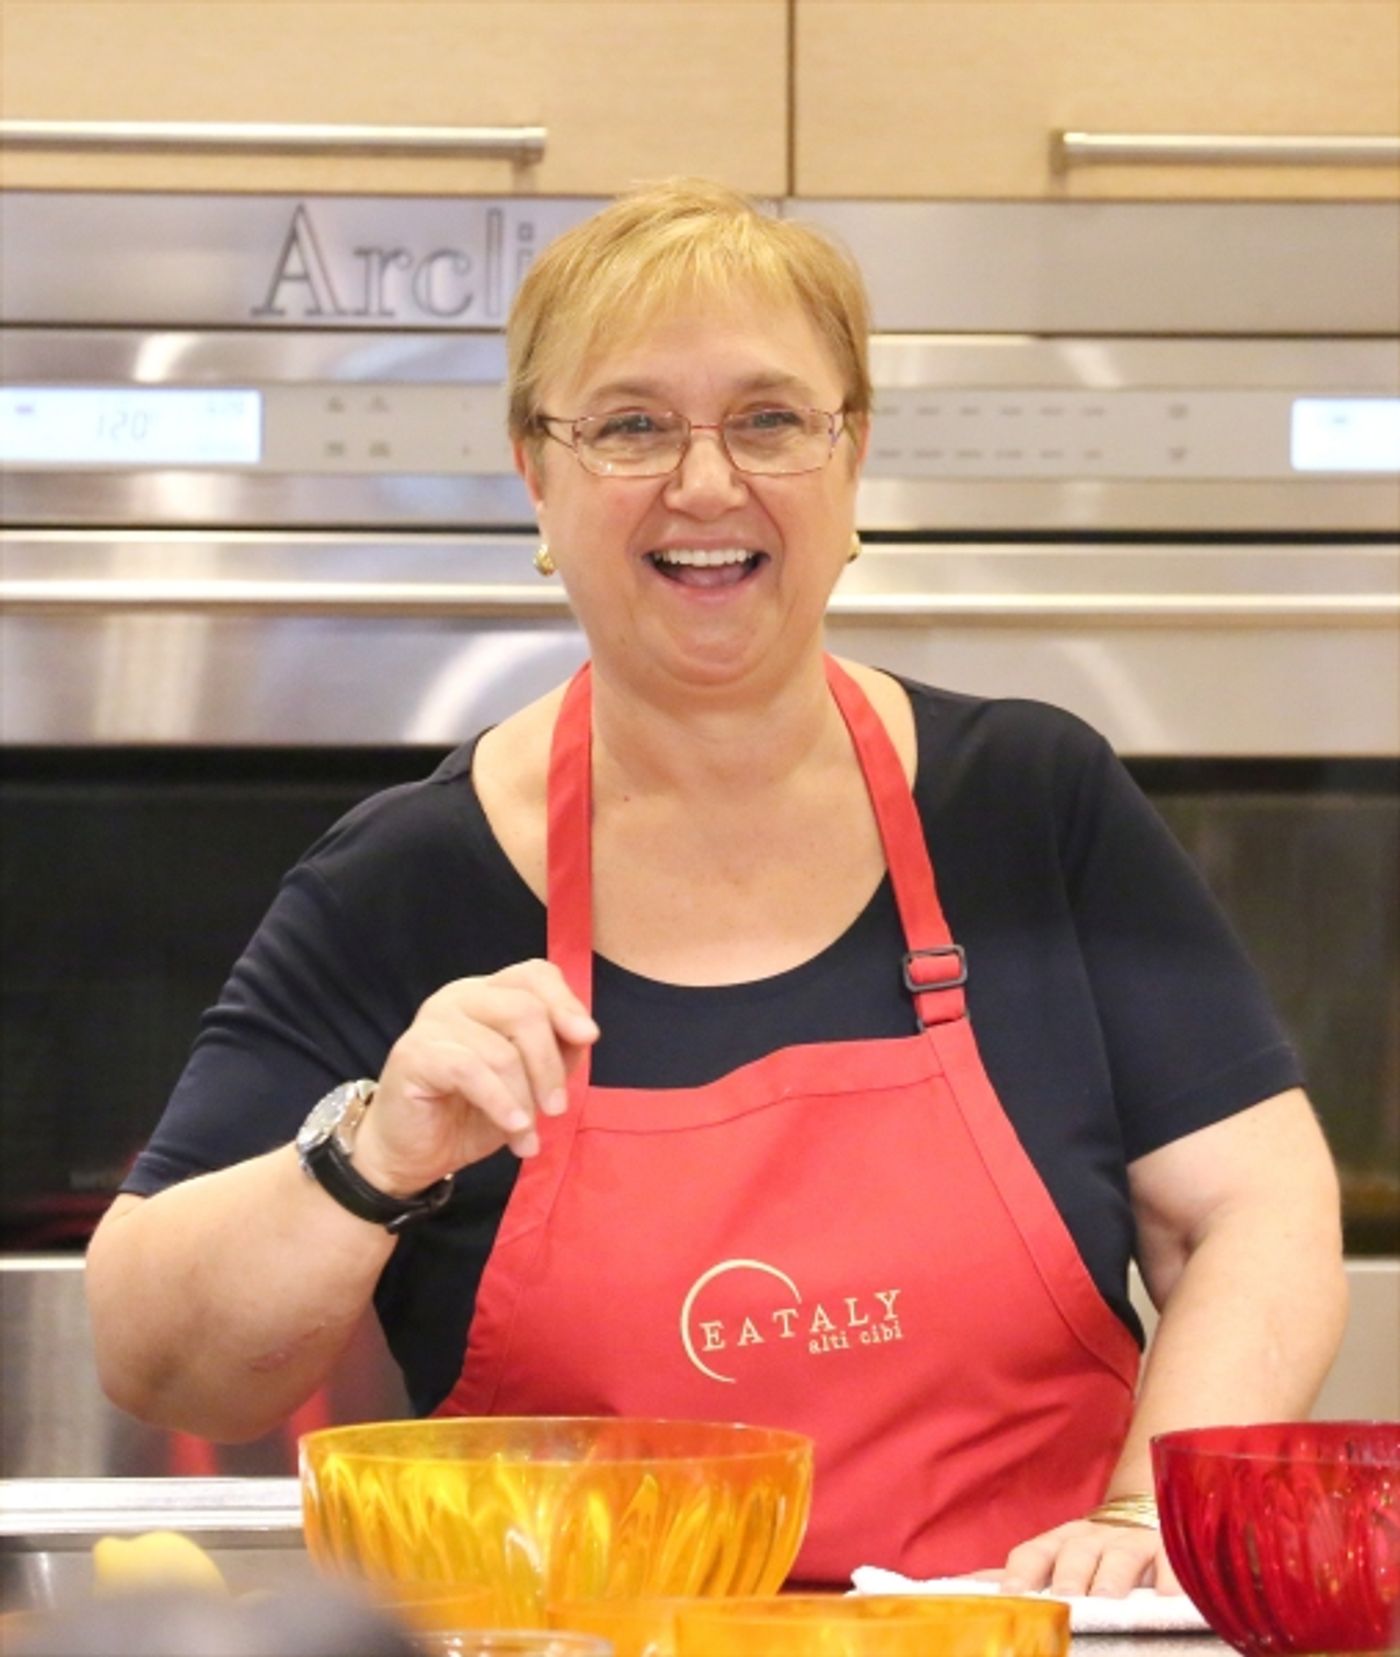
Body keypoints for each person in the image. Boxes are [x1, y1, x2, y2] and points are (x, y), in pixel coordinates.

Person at [86, 179, 1347, 1597]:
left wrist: (1138, 1520)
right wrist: (373, 1151)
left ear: (851, 455)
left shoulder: (1032, 805)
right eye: (630, 424)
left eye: (768, 419)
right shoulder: (406, 882)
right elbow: (159, 1355)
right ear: (535, 475)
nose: (704, 483)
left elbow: (1257, 1208)